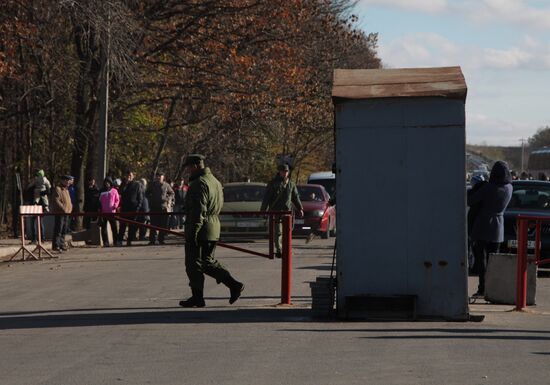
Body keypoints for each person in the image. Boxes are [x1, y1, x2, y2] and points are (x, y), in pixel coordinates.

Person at [179, 154, 244, 308]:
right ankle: (233, 285)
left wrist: (192, 233)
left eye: (188, 167)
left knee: (193, 264)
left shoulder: (198, 183)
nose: (187, 170)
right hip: (213, 226)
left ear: (195, 166)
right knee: (207, 262)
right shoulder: (214, 181)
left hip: (201, 228)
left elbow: (198, 211)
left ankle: (198, 297)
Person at [467, 161, 513, 298]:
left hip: (482, 225)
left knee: (482, 260)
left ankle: (482, 288)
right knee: (494, 261)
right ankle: (493, 291)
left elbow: (471, 201)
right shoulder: (509, 188)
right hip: (499, 227)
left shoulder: (488, 187)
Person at [260, 163, 304, 258]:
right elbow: (266, 198)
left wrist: (300, 208)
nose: (285, 173)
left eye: (286, 171)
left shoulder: (291, 184)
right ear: (279, 172)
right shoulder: (273, 183)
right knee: (278, 232)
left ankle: (286, 249)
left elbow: (295, 197)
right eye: (283, 171)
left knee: (288, 231)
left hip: (287, 211)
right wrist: (263, 211)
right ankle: (279, 250)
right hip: (276, 211)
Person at [147, 171, 174, 245]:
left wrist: (168, 198)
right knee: (153, 224)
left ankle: (161, 239)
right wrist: (151, 199)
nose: (158, 177)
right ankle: (152, 240)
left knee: (163, 224)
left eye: (160, 176)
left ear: (163, 177)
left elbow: (172, 193)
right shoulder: (152, 185)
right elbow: (147, 193)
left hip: (163, 207)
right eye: (157, 176)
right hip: (154, 207)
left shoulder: (166, 185)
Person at [118, 171, 144, 246]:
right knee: (122, 225)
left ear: (133, 176)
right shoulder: (123, 184)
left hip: (133, 208)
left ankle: (129, 241)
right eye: (127, 175)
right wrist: (124, 184)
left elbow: (140, 198)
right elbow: (119, 192)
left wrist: (138, 208)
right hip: (124, 208)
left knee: (131, 226)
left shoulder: (137, 185)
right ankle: (119, 240)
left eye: (130, 175)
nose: (128, 177)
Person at [51, 175, 73, 252]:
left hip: (67, 212)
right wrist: (63, 208)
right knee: (58, 229)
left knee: (64, 229)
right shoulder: (58, 189)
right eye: (66, 180)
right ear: (62, 181)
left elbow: (69, 201)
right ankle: (56, 245)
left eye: (69, 180)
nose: (68, 182)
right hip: (60, 212)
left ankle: (62, 244)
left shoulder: (66, 189)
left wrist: (70, 208)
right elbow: (56, 200)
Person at [98, 177, 120, 247]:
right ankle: (106, 242)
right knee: (104, 228)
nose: (107, 184)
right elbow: (99, 201)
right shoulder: (101, 191)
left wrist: (115, 205)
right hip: (103, 212)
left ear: (110, 183)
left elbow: (117, 199)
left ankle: (116, 241)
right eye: (106, 182)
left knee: (114, 228)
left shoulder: (114, 191)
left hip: (112, 212)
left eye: (108, 182)